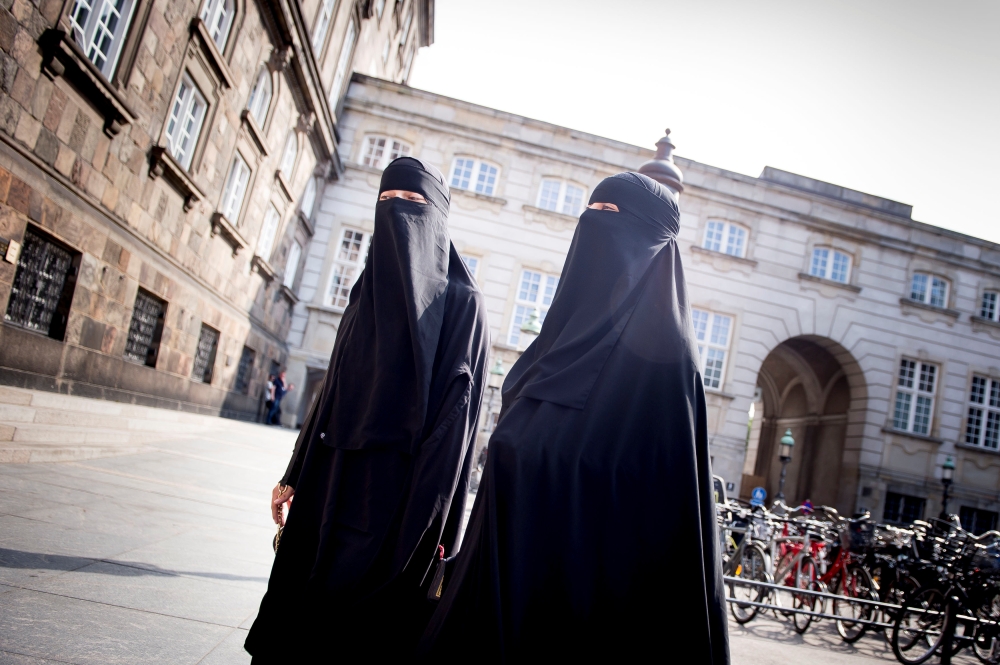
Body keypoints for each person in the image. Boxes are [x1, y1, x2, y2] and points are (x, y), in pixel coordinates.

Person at [420, 172, 730, 664]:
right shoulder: (555, 347)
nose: (595, 226)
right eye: (592, 212)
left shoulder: (668, 365)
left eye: (614, 216)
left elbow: (659, 521)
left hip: (582, 611)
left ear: (653, 238)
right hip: (502, 590)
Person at [245, 157, 490, 661]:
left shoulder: (463, 303)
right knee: (299, 612)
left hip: (396, 497)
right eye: (386, 200)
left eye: (413, 202)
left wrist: (429, 526)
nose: (397, 211)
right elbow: (332, 387)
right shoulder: (364, 293)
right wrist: (294, 472)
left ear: (438, 216)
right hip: (327, 479)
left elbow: (455, 424)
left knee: (360, 630)